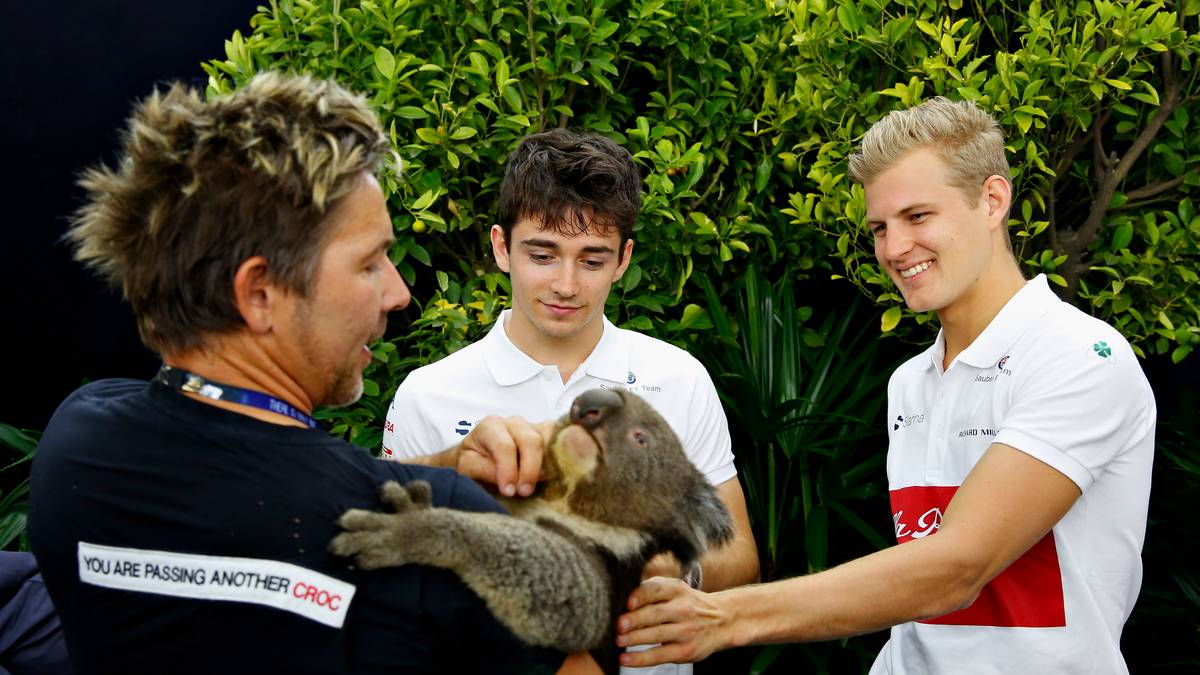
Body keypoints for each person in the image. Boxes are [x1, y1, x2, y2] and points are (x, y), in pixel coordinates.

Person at [28, 71, 599, 675]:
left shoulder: (77, 447)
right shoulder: (435, 545)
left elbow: (260, 488)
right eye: (370, 262)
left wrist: (448, 467)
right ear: (260, 293)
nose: (398, 293)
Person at [613, 97, 1156, 674]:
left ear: (992, 200)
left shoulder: (1081, 358)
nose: (894, 249)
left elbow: (955, 569)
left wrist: (726, 616)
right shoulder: (910, 384)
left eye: (918, 217)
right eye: (879, 226)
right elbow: (921, 598)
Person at [380, 128, 761, 673]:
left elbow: (740, 554)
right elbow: (396, 576)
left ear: (624, 259)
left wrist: (669, 569)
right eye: (543, 254)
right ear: (500, 247)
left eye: (592, 260)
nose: (565, 284)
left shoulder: (678, 378)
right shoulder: (427, 393)